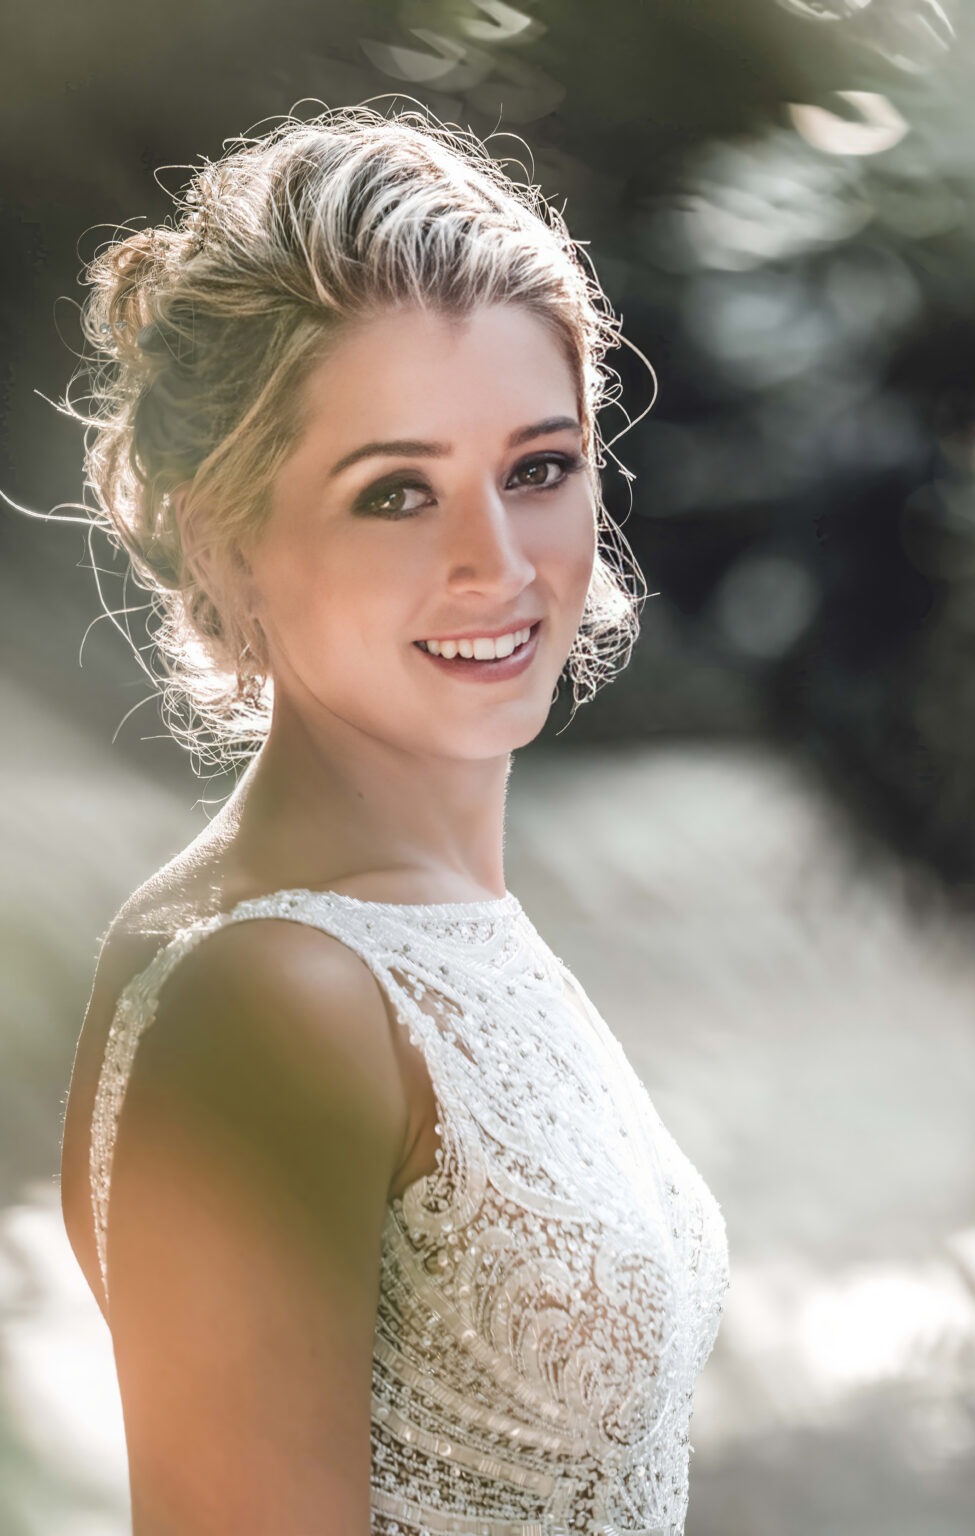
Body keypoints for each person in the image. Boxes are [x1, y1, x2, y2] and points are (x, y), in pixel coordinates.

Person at [58, 103, 729, 1535]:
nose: (497, 563)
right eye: (395, 493)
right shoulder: (269, 990)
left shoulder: (431, 911)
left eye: (537, 468)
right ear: (233, 536)